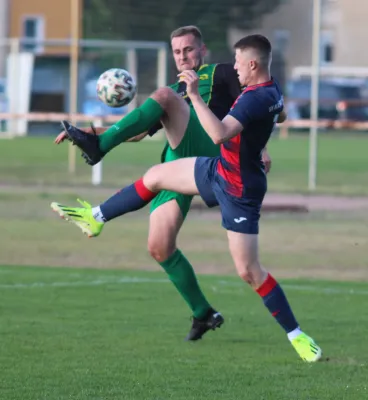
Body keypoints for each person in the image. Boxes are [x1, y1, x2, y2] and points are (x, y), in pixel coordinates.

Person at [52, 34, 322, 362]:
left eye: (188, 49)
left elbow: (224, 131)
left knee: (249, 271)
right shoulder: (265, 90)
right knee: (154, 180)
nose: (235, 66)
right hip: (218, 169)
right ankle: (96, 216)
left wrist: (197, 96)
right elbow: (138, 131)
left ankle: (297, 336)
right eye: (176, 51)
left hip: (238, 187)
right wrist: (89, 135)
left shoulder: (225, 78)